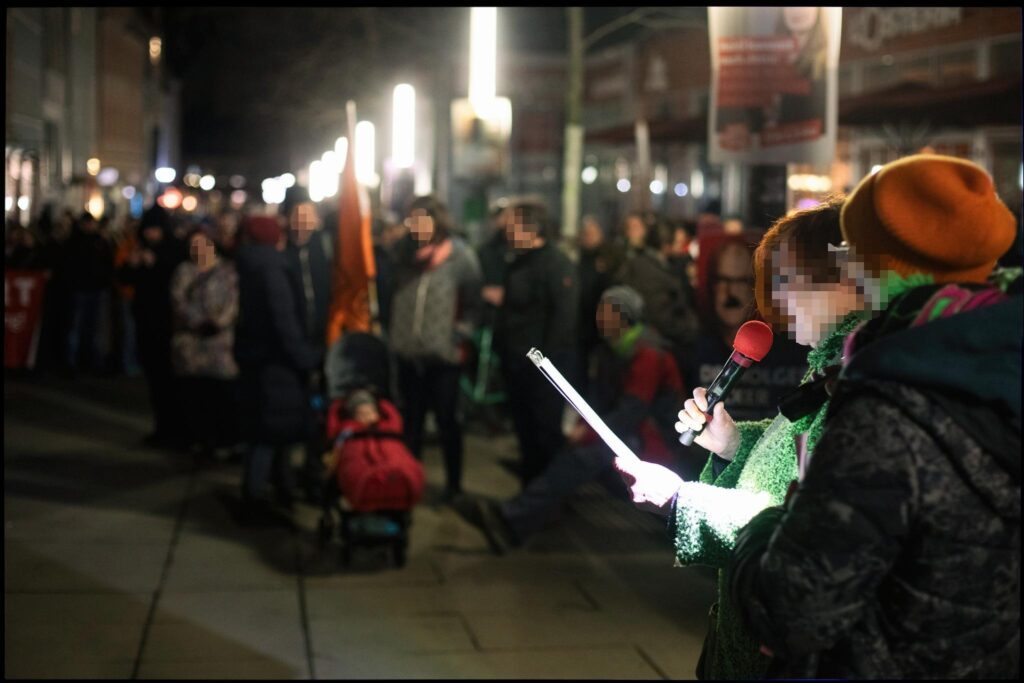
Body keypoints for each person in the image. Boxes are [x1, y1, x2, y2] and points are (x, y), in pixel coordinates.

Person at [726, 154, 1021, 678]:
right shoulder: (993, 358)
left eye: (852, 247)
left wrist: (768, 523)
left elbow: (792, 610)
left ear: (876, 263)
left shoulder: (889, 401)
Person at [613, 198, 870, 679]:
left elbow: (797, 533)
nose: (779, 302)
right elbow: (788, 466)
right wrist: (732, 443)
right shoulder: (832, 367)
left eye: (791, 281)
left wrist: (679, 501)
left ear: (848, 282)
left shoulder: (863, 385)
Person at [464, 285, 689, 550]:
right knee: (566, 450)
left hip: (654, 441)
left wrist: (585, 433)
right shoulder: (611, 351)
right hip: (629, 434)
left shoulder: (648, 353)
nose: (601, 319)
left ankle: (512, 520)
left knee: (583, 458)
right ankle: (525, 516)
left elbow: (631, 412)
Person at [388, 196, 482, 501]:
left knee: (447, 423)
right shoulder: (401, 254)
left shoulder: (460, 257)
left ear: (438, 222)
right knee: (410, 424)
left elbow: (474, 304)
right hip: (407, 355)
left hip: (444, 357)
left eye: (422, 219)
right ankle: (409, 482)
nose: (416, 226)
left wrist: (457, 337)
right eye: (412, 219)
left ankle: (454, 487)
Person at [234, 215, 321, 522]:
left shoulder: (248, 264)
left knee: (270, 431)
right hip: (276, 365)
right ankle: (255, 499)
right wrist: (307, 358)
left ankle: (277, 490)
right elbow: (283, 321)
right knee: (269, 434)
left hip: (257, 361)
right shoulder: (272, 269)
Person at [495, 200, 578, 488]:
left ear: (532, 228)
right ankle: (529, 492)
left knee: (545, 434)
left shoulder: (556, 263)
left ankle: (547, 498)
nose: (507, 230)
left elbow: (563, 318)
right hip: (517, 363)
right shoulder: (517, 261)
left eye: (513, 225)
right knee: (525, 432)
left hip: (543, 370)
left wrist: (546, 364)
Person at [685, 235, 807, 423]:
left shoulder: (793, 349)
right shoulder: (693, 349)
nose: (730, 292)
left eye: (740, 281)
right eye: (722, 280)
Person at [118, 204, 187, 447]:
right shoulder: (141, 248)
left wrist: (156, 262)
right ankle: (161, 427)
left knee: (170, 380)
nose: (150, 235)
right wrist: (133, 264)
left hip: (166, 323)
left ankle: (176, 430)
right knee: (155, 379)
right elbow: (124, 278)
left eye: (154, 230)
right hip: (145, 321)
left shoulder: (174, 250)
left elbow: (177, 277)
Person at [170, 227, 240, 458]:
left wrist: (218, 322)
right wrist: (196, 322)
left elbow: (233, 301)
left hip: (219, 346)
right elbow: (177, 301)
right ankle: (197, 438)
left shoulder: (227, 271)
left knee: (219, 394)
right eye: (194, 245)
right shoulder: (184, 272)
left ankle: (221, 439)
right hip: (191, 346)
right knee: (194, 395)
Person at [284, 202, 335, 496]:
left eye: (308, 215)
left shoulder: (327, 250)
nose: (303, 221)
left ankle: (316, 473)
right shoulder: (283, 251)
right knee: (294, 411)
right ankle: (288, 476)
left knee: (321, 415)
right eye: (297, 214)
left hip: (324, 342)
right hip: (294, 346)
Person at [616, 215, 699, 367]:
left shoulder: (649, 266)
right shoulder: (653, 274)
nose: (682, 247)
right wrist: (692, 328)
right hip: (656, 352)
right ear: (666, 245)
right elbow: (661, 317)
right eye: (679, 242)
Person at [65, 211, 114, 373]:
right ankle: (73, 362)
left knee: (94, 327)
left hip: (96, 289)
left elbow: (108, 263)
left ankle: (92, 361)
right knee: (77, 326)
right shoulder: (76, 241)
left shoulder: (99, 241)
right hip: (81, 289)